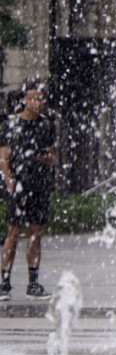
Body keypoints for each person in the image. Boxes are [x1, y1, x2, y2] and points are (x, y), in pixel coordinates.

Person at [0, 87, 56, 301]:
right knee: (13, 231)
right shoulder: (11, 123)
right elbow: (3, 157)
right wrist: (9, 181)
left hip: (39, 184)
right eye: (33, 98)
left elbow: (52, 157)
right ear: (24, 100)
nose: (37, 102)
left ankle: (33, 282)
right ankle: (4, 282)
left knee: (36, 232)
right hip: (19, 185)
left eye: (40, 98)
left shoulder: (45, 124)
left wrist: (47, 159)